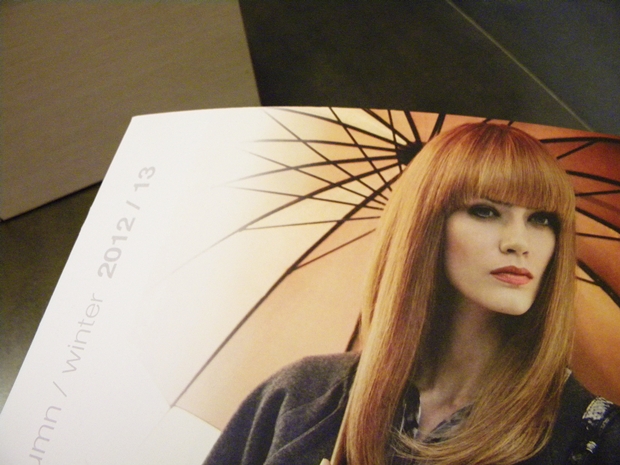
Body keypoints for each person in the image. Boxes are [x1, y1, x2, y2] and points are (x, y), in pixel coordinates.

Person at [204, 123, 620, 465]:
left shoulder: (590, 440)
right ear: (425, 224)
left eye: (541, 219)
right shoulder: (302, 396)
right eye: (486, 211)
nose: (518, 242)